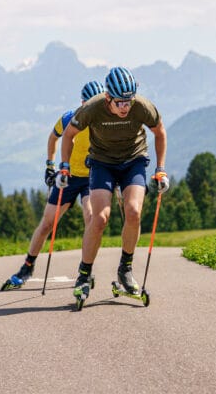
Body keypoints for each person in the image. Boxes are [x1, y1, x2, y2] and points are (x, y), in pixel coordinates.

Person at [56, 66, 169, 303]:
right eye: (120, 103)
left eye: (129, 101)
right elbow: (67, 135)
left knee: (134, 211)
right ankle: (84, 274)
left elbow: (159, 133)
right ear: (108, 97)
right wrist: (64, 166)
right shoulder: (92, 108)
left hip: (133, 161)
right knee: (100, 218)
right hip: (102, 163)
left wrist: (160, 170)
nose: (125, 107)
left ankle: (125, 269)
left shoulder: (142, 106)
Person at [0, 80, 105, 290]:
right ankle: (27, 267)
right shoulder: (69, 118)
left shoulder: (104, 121)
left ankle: (86, 269)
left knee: (91, 217)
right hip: (68, 177)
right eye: (89, 103)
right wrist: (50, 165)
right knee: (47, 223)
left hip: (91, 178)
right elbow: (53, 138)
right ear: (82, 102)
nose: (93, 107)